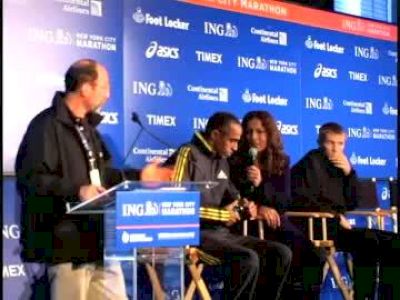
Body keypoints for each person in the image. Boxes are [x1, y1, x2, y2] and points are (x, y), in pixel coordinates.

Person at [15, 59, 138, 300]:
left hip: (100, 241)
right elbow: (32, 180)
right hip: (66, 247)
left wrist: (140, 176)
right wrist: (77, 191)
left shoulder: (89, 130)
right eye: (104, 86)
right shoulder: (46, 126)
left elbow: (104, 175)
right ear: (85, 88)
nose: (109, 93)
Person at [162, 111, 292, 300]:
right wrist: (222, 216)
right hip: (191, 236)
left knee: (280, 253)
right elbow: (175, 206)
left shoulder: (223, 161)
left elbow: (234, 197)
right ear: (215, 135)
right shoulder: (188, 153)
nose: (236, 147)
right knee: (248, 259)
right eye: (232, 141)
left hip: (221, 234)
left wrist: (245, 207)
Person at [290, 122, 400, 299]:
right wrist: (335, 216)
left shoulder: (342, 165)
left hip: (337, 226)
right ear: (320, 142)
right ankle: (364, 296)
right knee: (368, 241)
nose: (335, 149)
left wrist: (349, 173)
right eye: (330, 143)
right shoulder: (310, 163)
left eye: (340, 144)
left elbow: (354, 203)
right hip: (317, 226)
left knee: (393, 240)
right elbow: (302, 200)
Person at [229, 110, 321, 299]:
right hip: (249, 224)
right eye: (249, 132)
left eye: (260, 132)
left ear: (270, 133)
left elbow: (284, 201)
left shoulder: (282, 161)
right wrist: (258, 206)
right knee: (277, 255)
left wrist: (261, 184)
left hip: (276, 222)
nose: (254, 137)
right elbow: (233, 196)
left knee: (314, 256)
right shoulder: (234, 159)